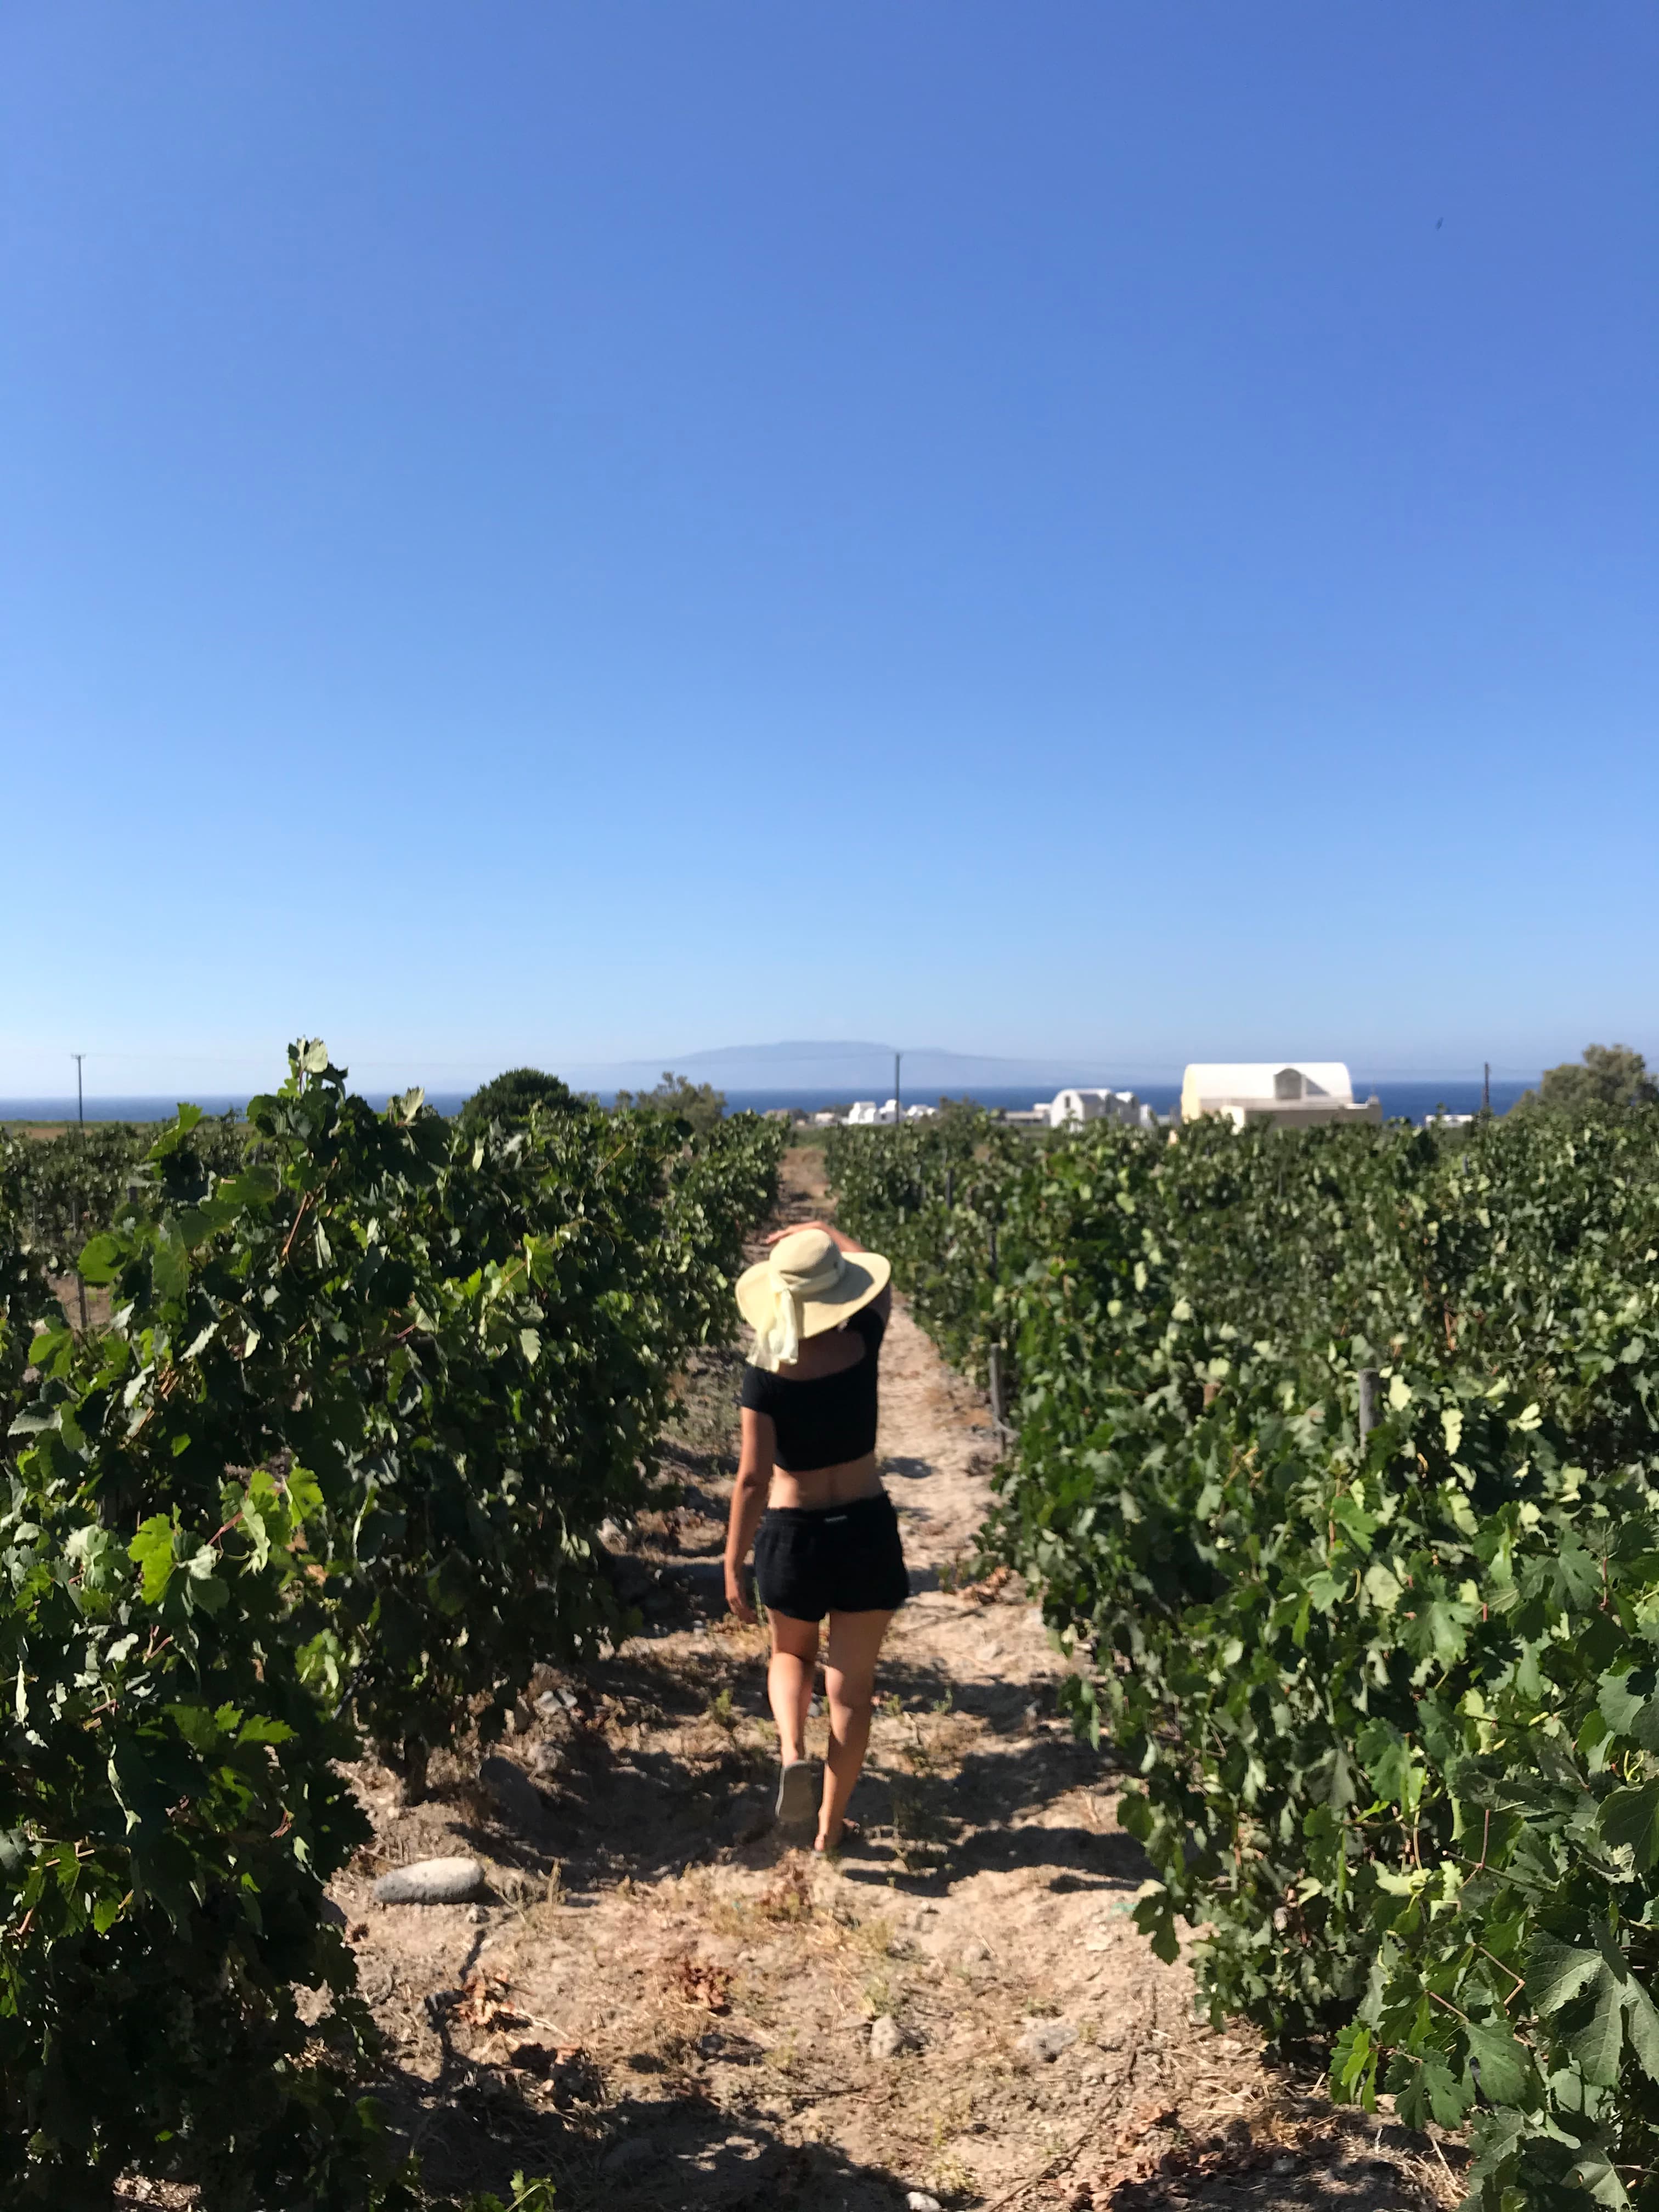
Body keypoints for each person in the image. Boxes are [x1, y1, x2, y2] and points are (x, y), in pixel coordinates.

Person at [723, 1220, 909, 1852]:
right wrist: (823, 1230)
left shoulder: (765, 1371)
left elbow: (751, 1478)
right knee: (851, 1688)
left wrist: (731, 1560)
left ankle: (791, 1748)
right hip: (864, 1526)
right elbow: (879, 1277)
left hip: (793, 1533)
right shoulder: (863, 1338)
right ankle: (830, 1829)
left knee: (792, 1655)